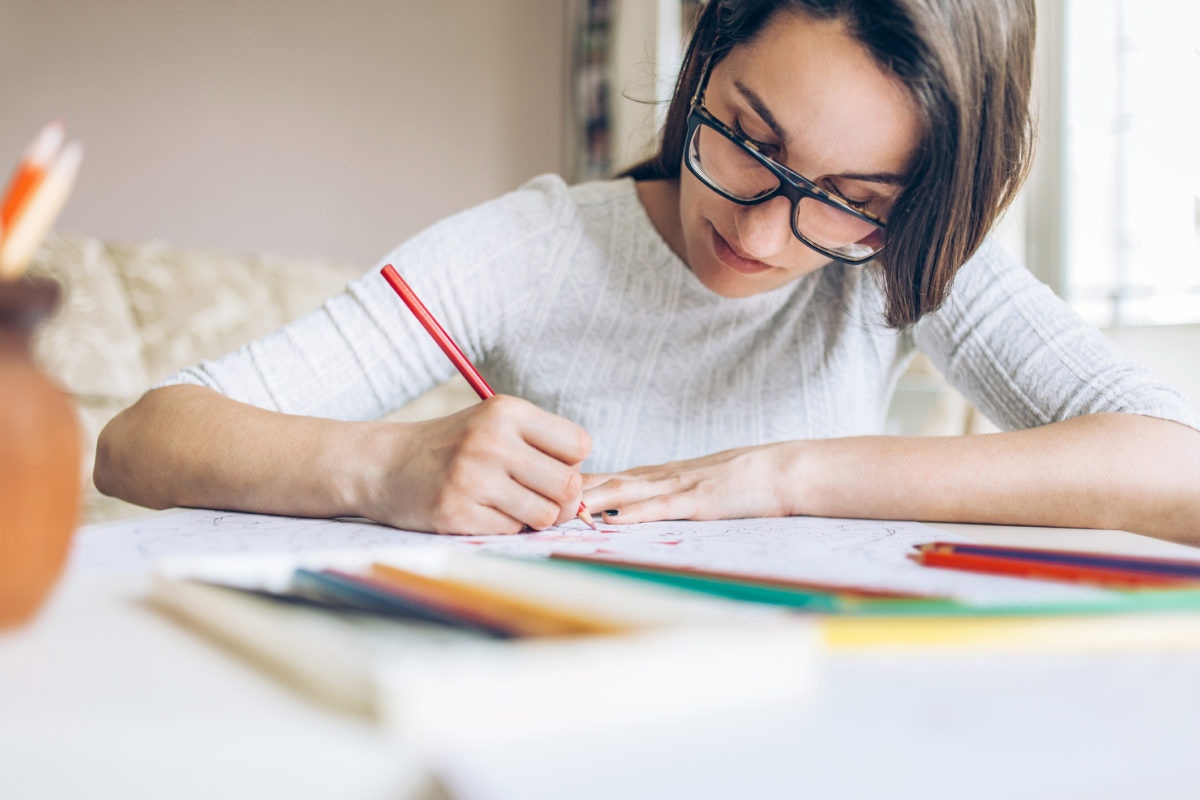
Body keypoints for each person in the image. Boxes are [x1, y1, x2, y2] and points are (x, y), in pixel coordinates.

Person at [95, 0, 1200, 543]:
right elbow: (141, 438)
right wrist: (382, 466)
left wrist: (785, 476)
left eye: (848, 201)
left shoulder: (900, 258)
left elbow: (1178, 470)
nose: (766, 238)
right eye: (751, 144)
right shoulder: (534, 248)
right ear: (701, 61)